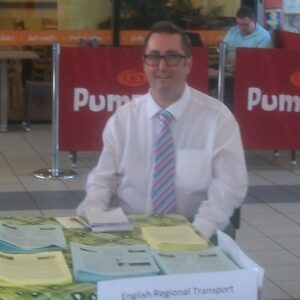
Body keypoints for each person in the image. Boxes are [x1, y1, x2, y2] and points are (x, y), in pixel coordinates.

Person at [76, 21, 248, 240]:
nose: (162, 66)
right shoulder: (123, 119)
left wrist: (198, 232)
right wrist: (94, 212)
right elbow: (102, 180)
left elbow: (229, 185)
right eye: (154, 57)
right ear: (144, 63)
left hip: (197, 228)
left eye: (172, 57)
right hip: (133, 229)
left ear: (188, 64)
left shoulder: (218, 119)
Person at [221, 5, 272, 108]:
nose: (241, 28)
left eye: (245, 24)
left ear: (254, 21)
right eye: (239, 24)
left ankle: (231, 107)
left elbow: (262, 62)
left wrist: (238, 68)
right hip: (229, 69)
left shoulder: (263, 37)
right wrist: (225, 59)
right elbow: (224, 48)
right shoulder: (233, 30)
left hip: (250, 75)